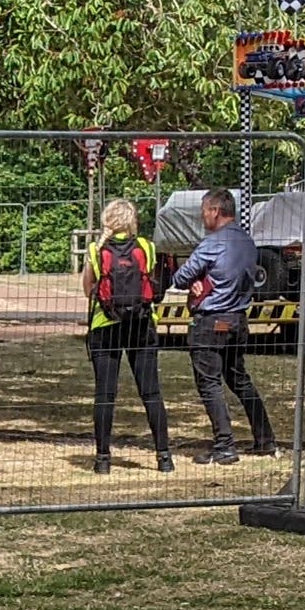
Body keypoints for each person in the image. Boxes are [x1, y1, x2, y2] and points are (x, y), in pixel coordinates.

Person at [170, 188, 277, 465]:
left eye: (204, 210)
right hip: (238, 320)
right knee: (239, 379)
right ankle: (265, 439)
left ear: (215, 211)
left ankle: (225, 444)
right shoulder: (247, 242)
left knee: (209, 384)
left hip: (210, 320)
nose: (202, 216)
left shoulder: (212, 243)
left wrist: (198, 277)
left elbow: (180, 277)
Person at [83, 200, 172, 473]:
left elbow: (89, 291)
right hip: (142, 324)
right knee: (151, 392)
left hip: (105, 324)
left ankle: (103, 459)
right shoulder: (146, 247)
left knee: (105, 394)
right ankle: (164, 456)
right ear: (132, 221)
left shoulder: (96, 251)